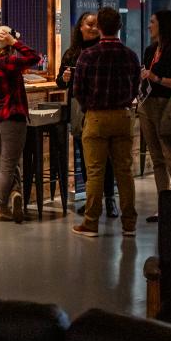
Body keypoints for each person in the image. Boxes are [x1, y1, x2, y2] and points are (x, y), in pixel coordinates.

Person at [71, 6, 141, 238]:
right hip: (122, 116)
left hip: (96, 117)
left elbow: (78, 89)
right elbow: (136, 88)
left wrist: (88, 106)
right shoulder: (131, 55)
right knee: (124, 171)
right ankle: (129, 224)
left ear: (99, 27)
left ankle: (91, 223)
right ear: (119, 26)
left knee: (95, 172)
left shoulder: (87, 55)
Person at [0, 25, 43, 223]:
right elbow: (34, 58)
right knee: (7, 166)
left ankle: (15, 195)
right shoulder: (8, 62)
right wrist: (15, 43)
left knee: (10, 163)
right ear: (7, 44)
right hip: (11, 120)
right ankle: (1, 207)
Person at [59, 11, 118, 219]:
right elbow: (60, 82)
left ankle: (110, 199)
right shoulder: (72, 53)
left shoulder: (103, 50)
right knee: (84, 157)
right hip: (78, 108)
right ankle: (92, 201)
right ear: (80, 27)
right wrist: (65, 77)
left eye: (96, 25)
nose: (93, 28)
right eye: (89, 24)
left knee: (106, 157)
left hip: (101, 107)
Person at [138, 9, 171, 221]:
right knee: (157, 160)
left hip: (168, 107)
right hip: (147, 106)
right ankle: (164, 206)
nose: (149, 25)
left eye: (152, 22)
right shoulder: (150, 50)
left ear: (163, 25)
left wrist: (157, 78)